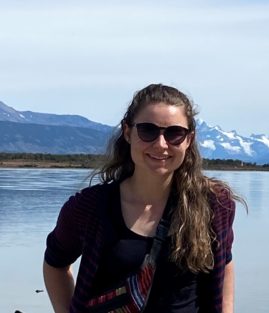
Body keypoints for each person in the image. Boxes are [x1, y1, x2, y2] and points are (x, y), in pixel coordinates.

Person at [43, 83, 244, 313]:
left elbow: (224, 264)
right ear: (128, 132)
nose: (161, 144)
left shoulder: (214, 205)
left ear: (189, 139)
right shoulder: (89, 208)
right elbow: (55, 264)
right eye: (148, 131)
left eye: (174, 133)